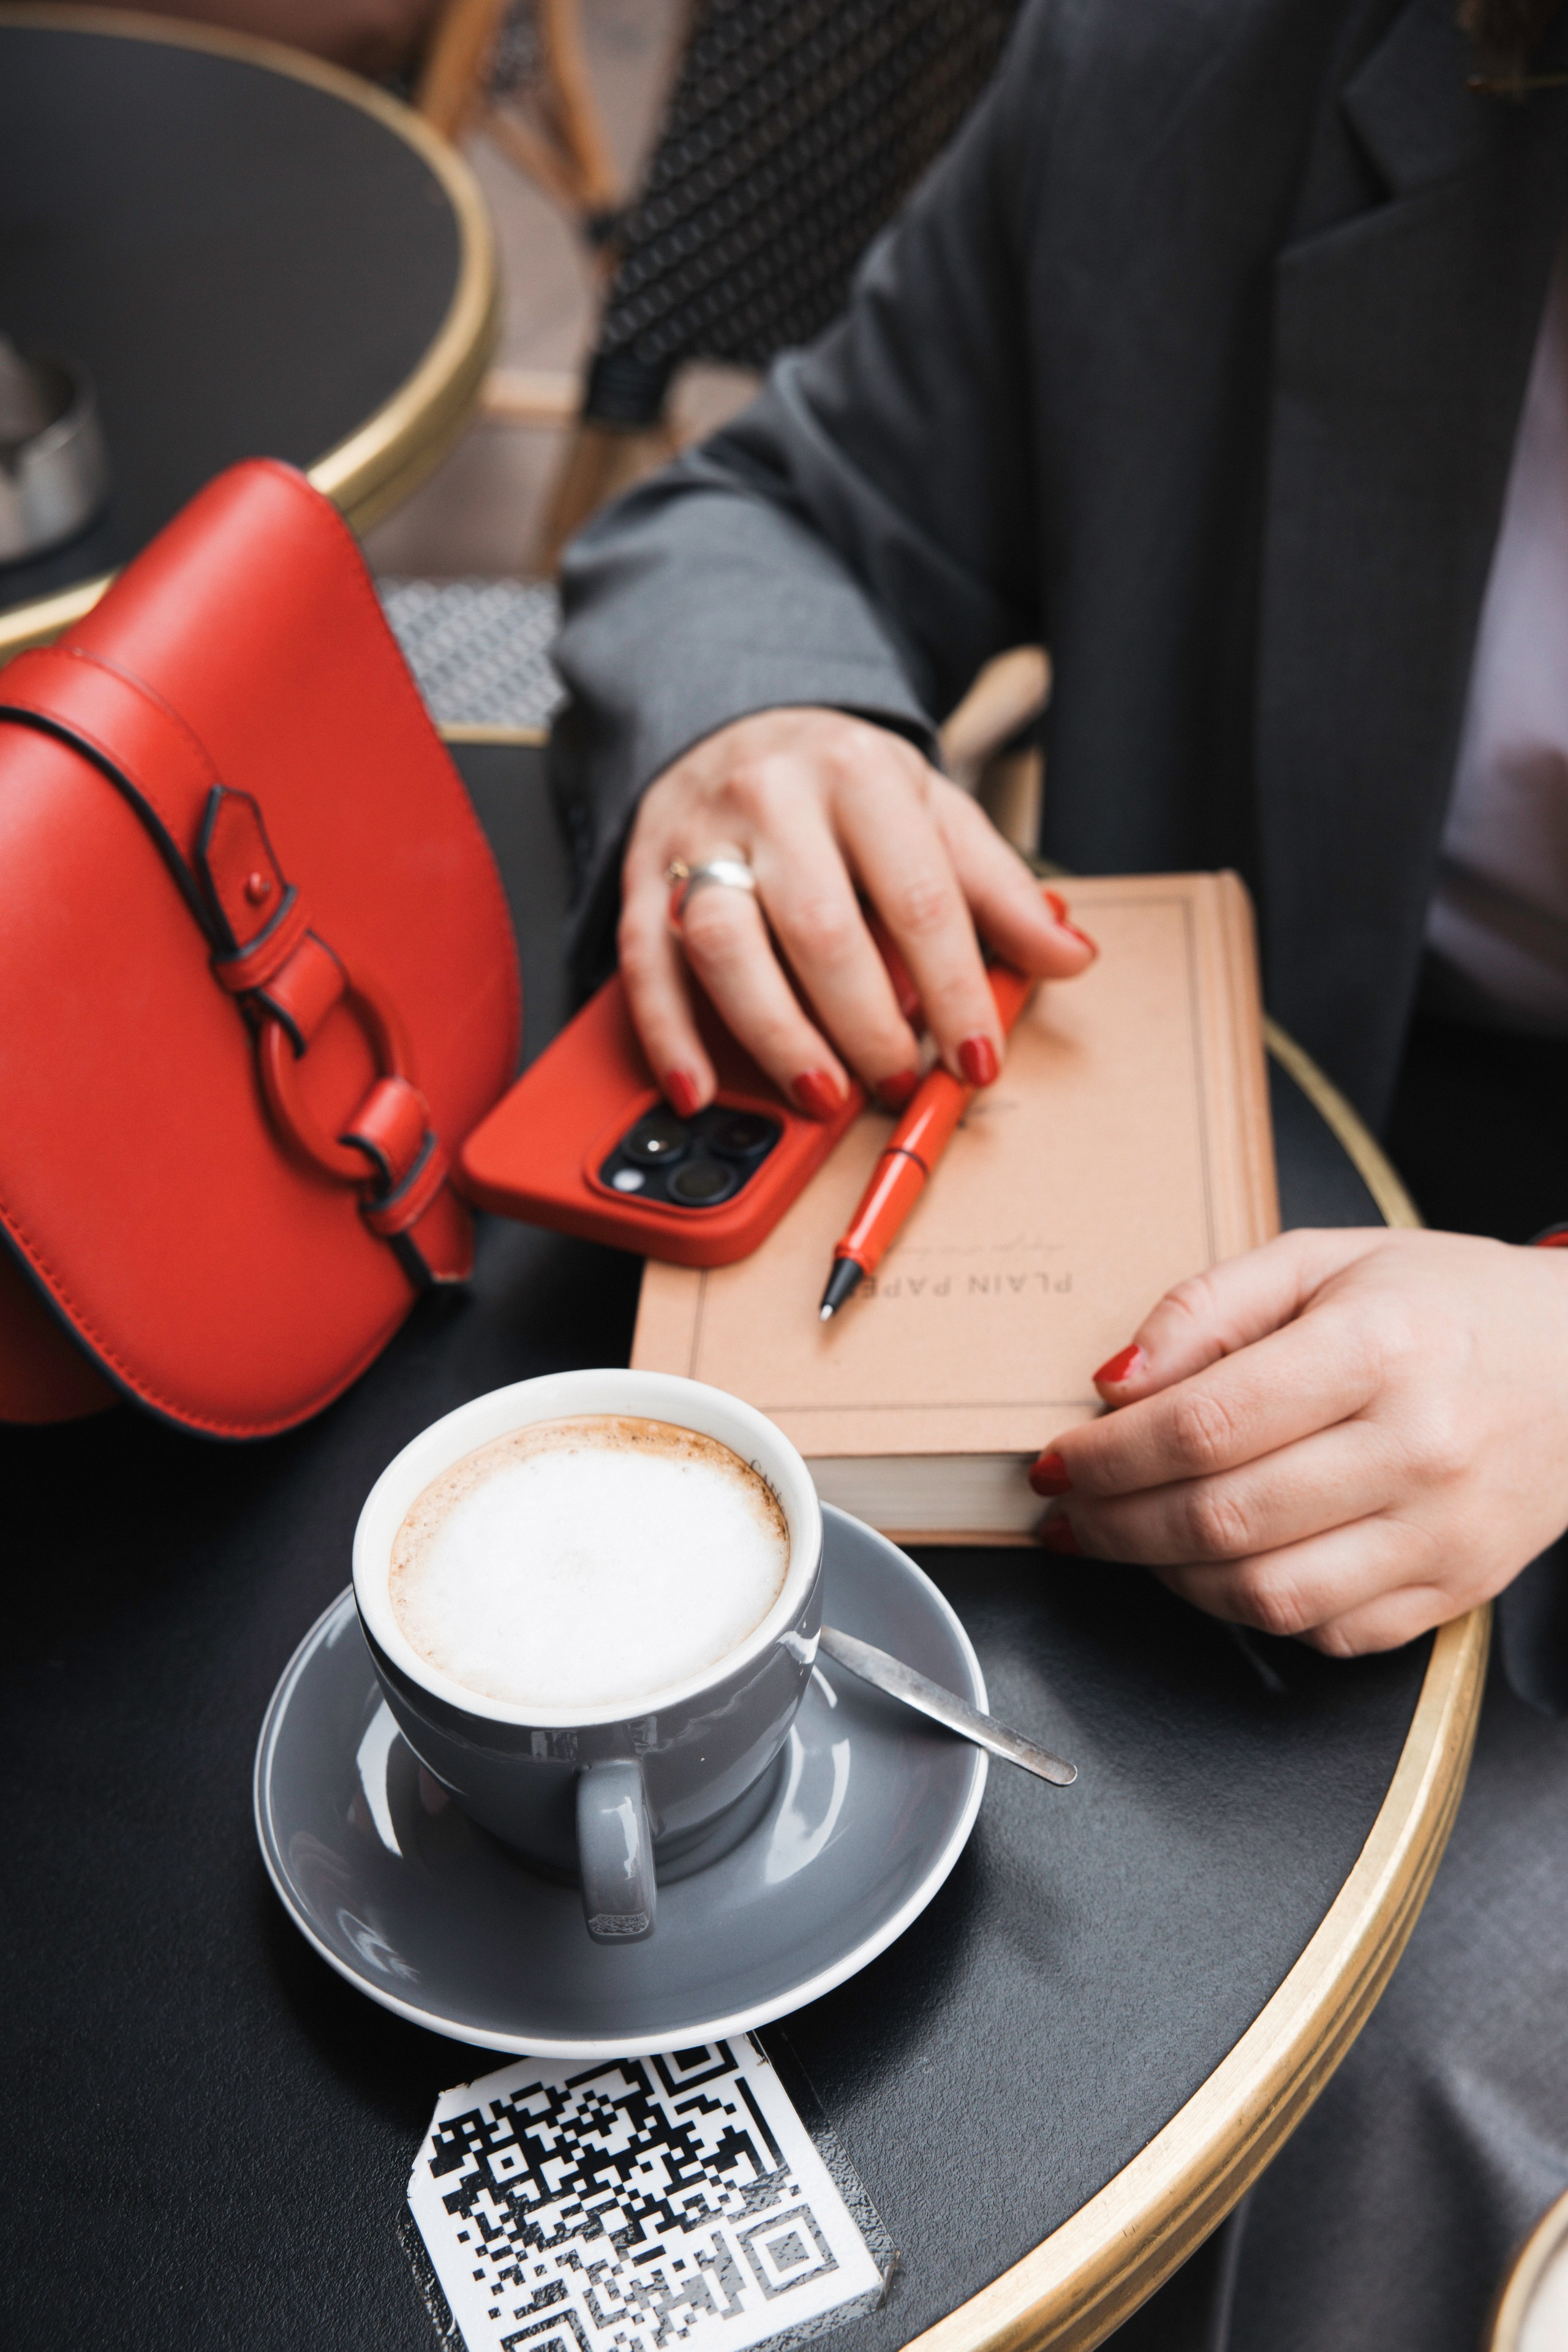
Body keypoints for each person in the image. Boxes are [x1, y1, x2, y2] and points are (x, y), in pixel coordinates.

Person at [549, 0, 1568, 2343]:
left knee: (1379, 2105)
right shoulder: (1199, 72)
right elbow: (760, 516)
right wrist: (762, 728)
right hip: (1158, 1316)